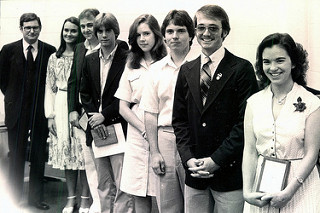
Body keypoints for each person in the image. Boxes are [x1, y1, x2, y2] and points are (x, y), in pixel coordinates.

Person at [172, 5, 259, 213]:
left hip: (229, 175)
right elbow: (179, 121)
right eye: (201, 28)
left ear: (224, 31)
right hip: (195, 172)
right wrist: (188, 159)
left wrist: (216, 161)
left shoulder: (241, 69)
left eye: (213, 28)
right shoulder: (186, 70)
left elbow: (244, 125)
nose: (206, 33)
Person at [242, 33, 320, 212]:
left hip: (300, 184)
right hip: (262, 185)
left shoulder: (312, 103)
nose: (272, 67)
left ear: (293, 63)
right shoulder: (253, 102)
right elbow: (250, 151)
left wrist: (289, 191)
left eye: (279, 60)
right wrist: (247, 191)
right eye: (266, 62)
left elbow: (311, 154)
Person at [67, 8, 128, 213]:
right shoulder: (91, 58)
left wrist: (105, 115)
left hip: (119, 126)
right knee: (103, 182)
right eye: (99, 31)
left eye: (107, 30)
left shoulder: (127, 58)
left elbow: (127, 95)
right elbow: (84, 93)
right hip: (96, 128)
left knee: (121, 182)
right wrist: (95, 117)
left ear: (115, 32)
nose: (103, 35)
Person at [139, 10, 195, 213]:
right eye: (170, 31)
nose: (175, 36)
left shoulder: (201, 66)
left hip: (193, 138)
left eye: (181, 31)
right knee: (168, 204)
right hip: (166, 138)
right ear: (164, 37)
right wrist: (155, 152)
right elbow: (150, 113)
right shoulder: (156, 70)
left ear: (191, 34)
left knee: (194, 201)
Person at [0, 13, 56, 210]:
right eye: (27, 27)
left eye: (35, 27)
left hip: (40, 113)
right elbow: (3, 81)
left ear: (40, 28)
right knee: (16, 156)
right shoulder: (8, 50)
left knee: (39, 156)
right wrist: (14, 101)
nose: (31, 31)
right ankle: (14, 199)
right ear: (21, 29)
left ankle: (35, 199)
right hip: (17, 113)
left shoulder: (50, 51)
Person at [114, 14, 167, 213]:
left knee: (162, 189)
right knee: (138, 189)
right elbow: (123, 107)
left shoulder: (166, 63)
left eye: (147, 33)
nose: (143, 39)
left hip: (161, 131)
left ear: (156, 35)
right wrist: (144, 129)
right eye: (138, 35)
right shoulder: (131, 64)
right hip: (137, 135)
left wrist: (153, 131)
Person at [44, 17, 90, 213]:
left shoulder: (86, 54)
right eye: (66, 30)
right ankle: (71, 200)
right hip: (61, 106)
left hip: (81, 106)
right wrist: (50, 116)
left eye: (73, 30)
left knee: (84, 155)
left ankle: (86, 199)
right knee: (68, 157)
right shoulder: (55, 58)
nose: (69, 34)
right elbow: (49, 88)